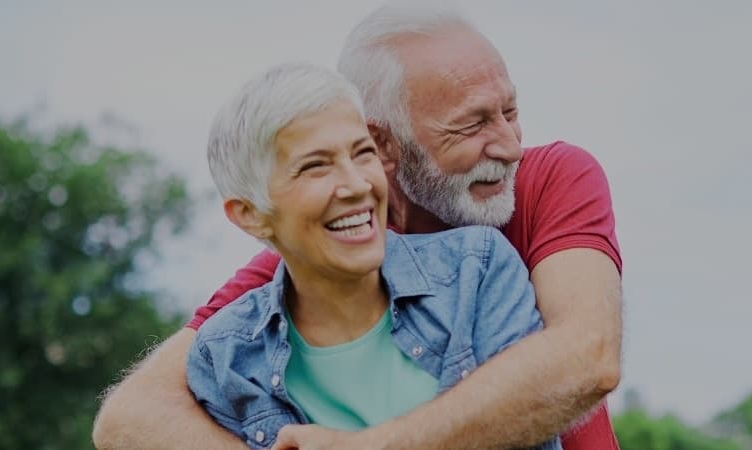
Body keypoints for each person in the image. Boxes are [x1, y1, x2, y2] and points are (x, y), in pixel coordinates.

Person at [93, 3, 624, 449]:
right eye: (473, 123)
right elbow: (130, 415)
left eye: (510, 111)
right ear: (387, 142)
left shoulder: (548, 182)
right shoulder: (315, 250)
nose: (509, 146)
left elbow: (588, 356)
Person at [188, 63, 559, 450]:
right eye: (315, 167)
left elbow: (533, 412)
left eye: (362, 153)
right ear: (250, 215)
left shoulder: (475, 268)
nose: (357, 184)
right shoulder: (225, 356)